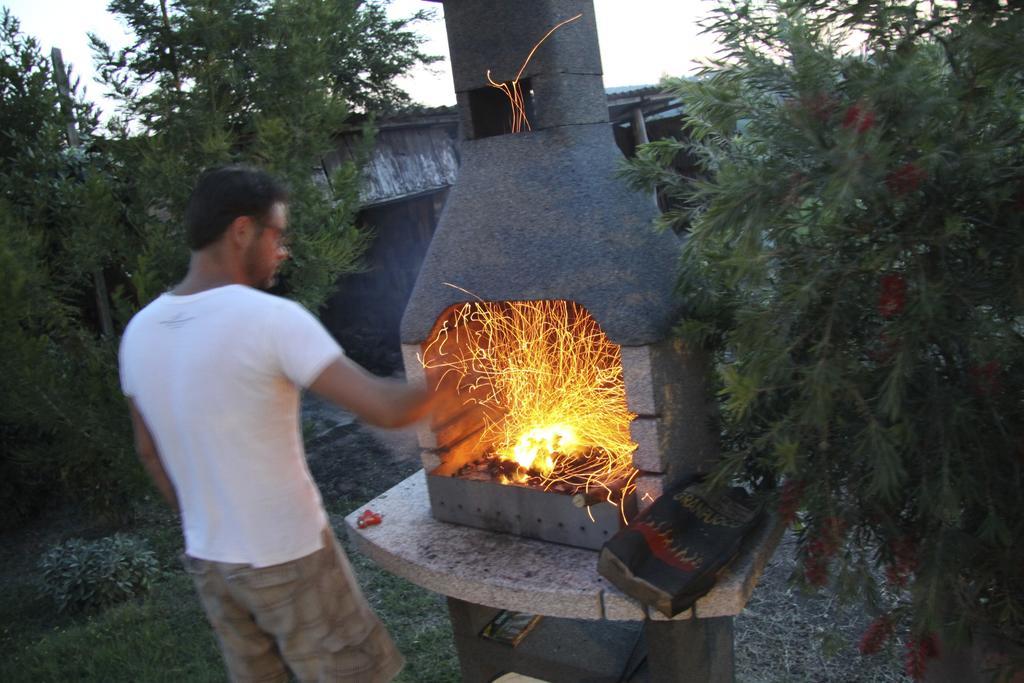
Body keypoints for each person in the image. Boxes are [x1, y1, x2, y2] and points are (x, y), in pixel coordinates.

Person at [118, 165, 433, 683]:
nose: (282, 251)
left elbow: (148, 453)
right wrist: (465, 383)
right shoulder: (269, 319)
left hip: (212, 565)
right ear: (242, 230)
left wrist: (207, 526)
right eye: (277, 234)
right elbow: (385, 407)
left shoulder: (140, 331)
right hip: (290, 558)